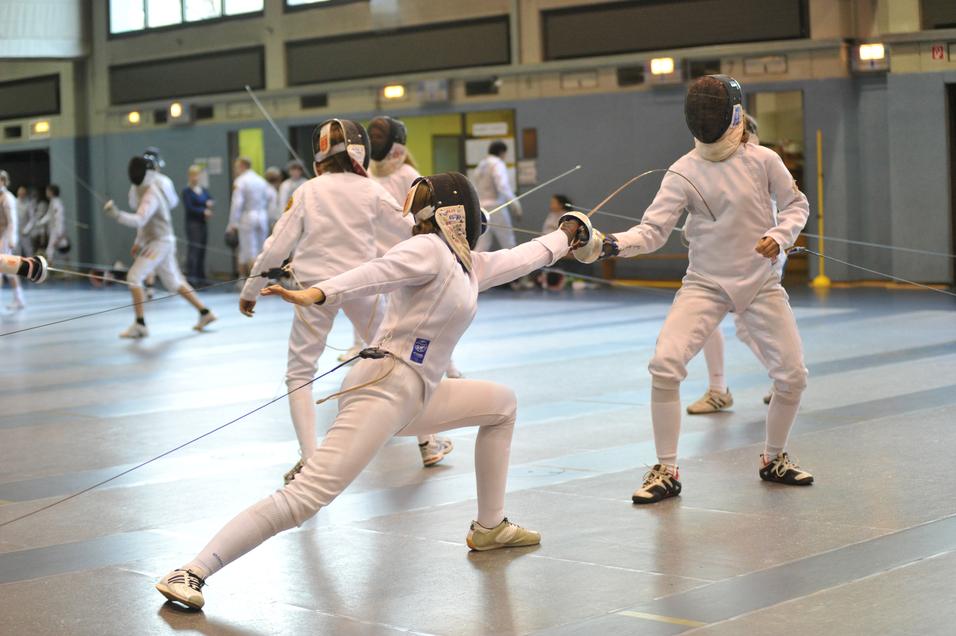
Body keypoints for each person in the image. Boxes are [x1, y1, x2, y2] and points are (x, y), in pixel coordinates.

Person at [155, 172, 589, 610]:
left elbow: (524, 256)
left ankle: (490, 527)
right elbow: (376, 272)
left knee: (502, 404)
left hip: (418, 393)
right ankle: (191, 570)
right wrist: (321, 292)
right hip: (382, 388)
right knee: (307, 498)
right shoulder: (428, 249)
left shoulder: (467, 265)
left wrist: (566, 234)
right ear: (461, 213)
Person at [601, 75, 813, 504]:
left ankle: (773, 459)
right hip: (706, 284)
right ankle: (667, 468)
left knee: (792, 377)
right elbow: (653, 231)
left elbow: (796, 204)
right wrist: (610, 243)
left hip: (760, 283)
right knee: (665, 364)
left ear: (733, 115)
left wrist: (782, 234)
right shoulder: (684, 171)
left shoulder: (764, 160)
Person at [236, 119, 415, 484]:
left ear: (319, 154)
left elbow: (276, 247)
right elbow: (412, 231)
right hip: (361, 284)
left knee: (300, 373)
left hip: (313, 289)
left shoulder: (308, 190)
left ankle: (310, 460)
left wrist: (249, 290)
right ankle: (427, 439)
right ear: (359, 150)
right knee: (394, 357)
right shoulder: (372, 191)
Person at [367, 114, 459, 464]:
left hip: (403, 274)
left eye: (380, 134)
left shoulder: (408, 178)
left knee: (410, 349)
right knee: (411, 352)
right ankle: (428, 437)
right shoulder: (372, 178)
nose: (375, 139)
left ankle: (428, 431)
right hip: (390, 276)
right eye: (371, 133)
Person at [686, 114, 779, 414]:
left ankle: (785, 379)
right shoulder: (713, 163)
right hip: (721, 259)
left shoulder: (759, 163)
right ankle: (718, 390)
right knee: (705, 319)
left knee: (747, 327)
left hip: (760, 255)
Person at [103, 156, 217, 338]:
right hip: (160, 240)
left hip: (160, 242)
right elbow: (146, 222)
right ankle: (205, 313)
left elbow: (140, 219)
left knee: (134, 276)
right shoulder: (140, 189)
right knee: (174, 282)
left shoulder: (151, 194)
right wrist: (139, 242)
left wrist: (117, 215)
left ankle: (140, 324)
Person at [131, 148, 179, 300]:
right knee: (148, 264)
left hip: (153, 232)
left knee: (143, 266)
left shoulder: (136, 186)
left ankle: (151, 288)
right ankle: (203, 310)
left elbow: (134, 206)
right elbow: (173, 203)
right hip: (158, 230)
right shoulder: (164, 181)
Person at [228, 157, 275, 278]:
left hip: (248, 217)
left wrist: (232, 223)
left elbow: (237, 203)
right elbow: (271, 199)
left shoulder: (240, 181)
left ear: (242, 166)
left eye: (237, 167)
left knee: (250, 252)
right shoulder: (261, 180)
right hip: (262, 216)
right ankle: (246, 279)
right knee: (260, 251)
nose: (236, 170)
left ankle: (255, 283)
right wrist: (270, 219)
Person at [474, 140, 520, 252]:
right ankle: (516, 269)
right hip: (496, 207)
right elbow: (502, 186)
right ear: (501, 152)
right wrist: (515, 204)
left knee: (482, 244)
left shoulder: (481, 165)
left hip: (482, 208)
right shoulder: (497, 164)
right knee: (508, 242)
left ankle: (470, 269)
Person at [181, 165, 214, 287]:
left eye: (197, 175)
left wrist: (209, 203)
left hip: (203, 223)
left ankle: (201, 277)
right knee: (194, 251)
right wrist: (203, 211)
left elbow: (210, 199)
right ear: (190, 176)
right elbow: (190, 208)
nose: (196, 177)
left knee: (202, 251)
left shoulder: (203, 190)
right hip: (193, 224)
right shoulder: (187, 191)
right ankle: (192, 278)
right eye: (193, 175)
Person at [0, 170, 26, 310]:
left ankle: (19, 298)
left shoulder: (8, 198)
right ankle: (19, 298)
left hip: (5, 237)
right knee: (9, 270)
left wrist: (11, 239)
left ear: (3, 181)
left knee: (7, 269)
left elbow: (12, 221)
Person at [39, 184, 67, 264]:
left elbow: (59, 218)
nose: (46, 192)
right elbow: (49, 215)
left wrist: (59, 233)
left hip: (57, 231)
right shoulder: (53, 202)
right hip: (54, 230)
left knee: (50, 251)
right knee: (62, 250)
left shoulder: (56, 203)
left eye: (47, 191)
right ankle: (67, 270)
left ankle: (47, 270)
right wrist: (40, 222)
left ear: (51, 192)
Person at [15, 186, 35, 257]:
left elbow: (32, 219)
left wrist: (26, 230)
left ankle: (31, 267)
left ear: (25, 194)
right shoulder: (14, 202)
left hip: (24, 232)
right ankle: (17, 268)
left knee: (28, 251)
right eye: (20, 193)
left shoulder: (29, 204)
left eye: (23, 193)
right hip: (15, 231)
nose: (21, 194)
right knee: (16, 251)